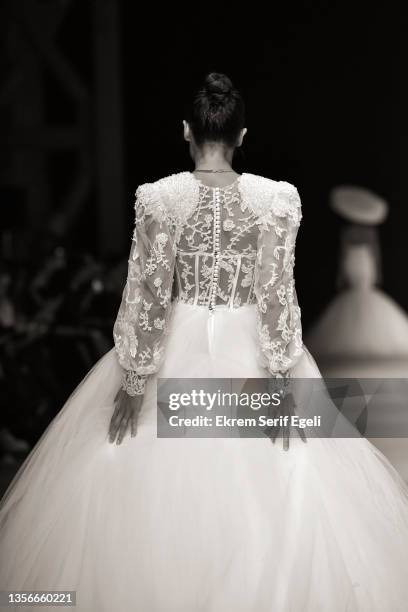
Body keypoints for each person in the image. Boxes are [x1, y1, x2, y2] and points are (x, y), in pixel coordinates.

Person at [1, 72, 408, 612]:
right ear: (242, 136)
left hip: (177, 340)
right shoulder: (276, 200)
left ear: (186, 132)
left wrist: (135, 378)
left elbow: (146, 294)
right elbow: (275, 294)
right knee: (288, 477)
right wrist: (283, 377)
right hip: (250, 345)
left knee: (128, 467)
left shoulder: (159, 198)